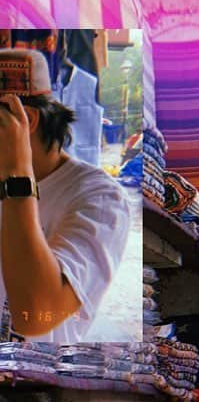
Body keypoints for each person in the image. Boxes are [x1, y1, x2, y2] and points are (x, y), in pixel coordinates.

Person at [0, 48, 130, 342]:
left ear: (26, 120)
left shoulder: (101, 199)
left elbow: (34, 316)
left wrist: (17, 177)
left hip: (38, 381)